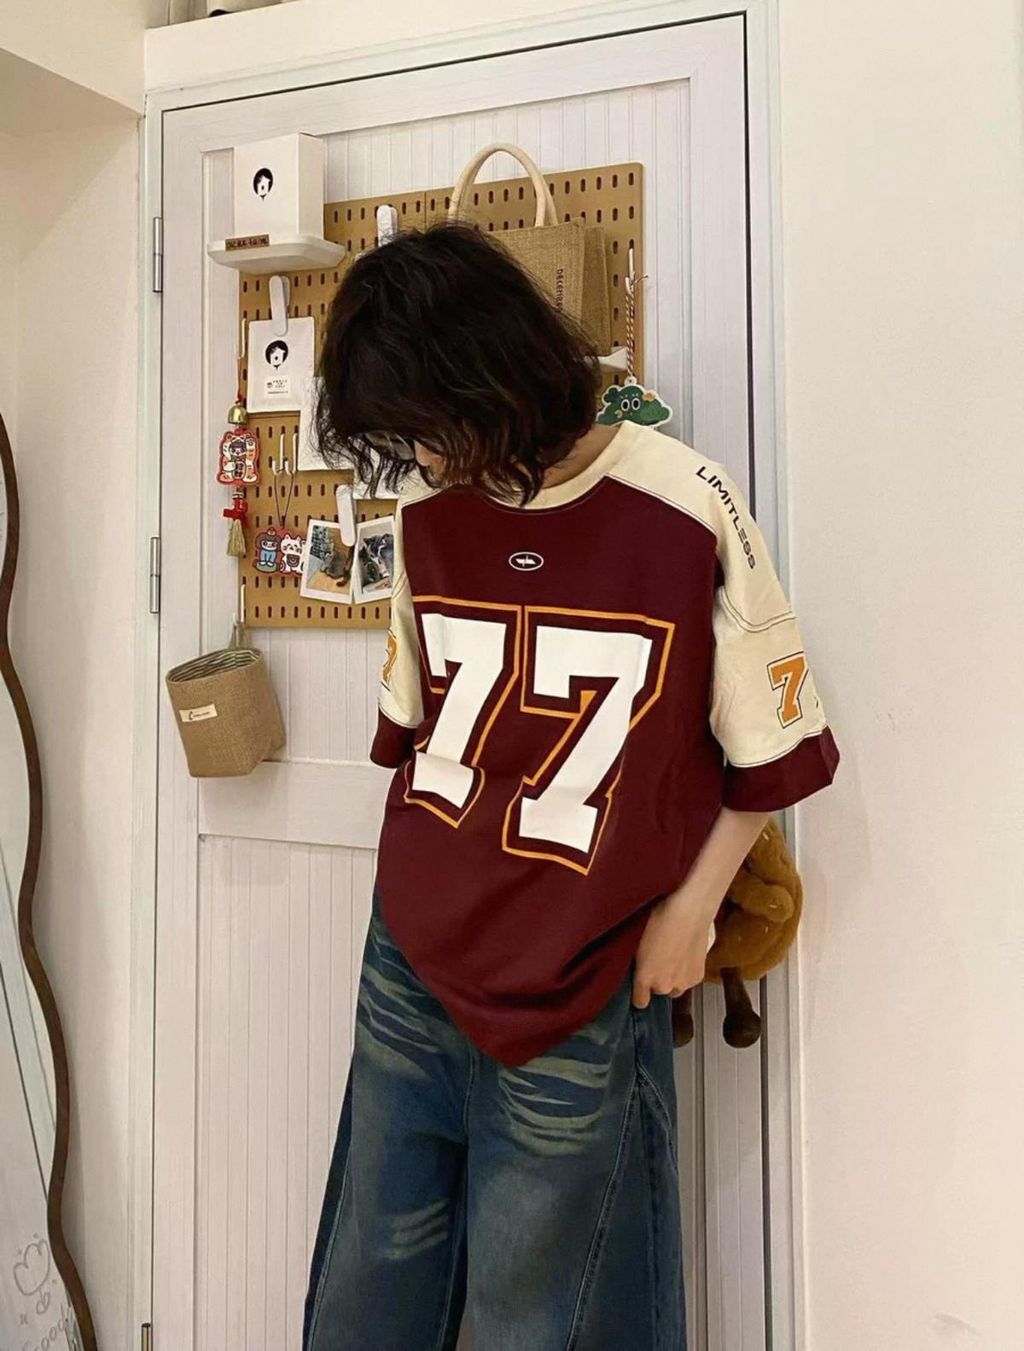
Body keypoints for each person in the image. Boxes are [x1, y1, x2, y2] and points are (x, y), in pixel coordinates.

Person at [303, 221, 839, 1351]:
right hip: (412, 953)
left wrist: (691, 913)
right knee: (367, 1288)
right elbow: (415, 726)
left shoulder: (685, 501)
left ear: (488, 374)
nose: (422, 459)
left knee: (543, 1311)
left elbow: (775, 748)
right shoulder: (425, 511)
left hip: (584, 970)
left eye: (427, 426)